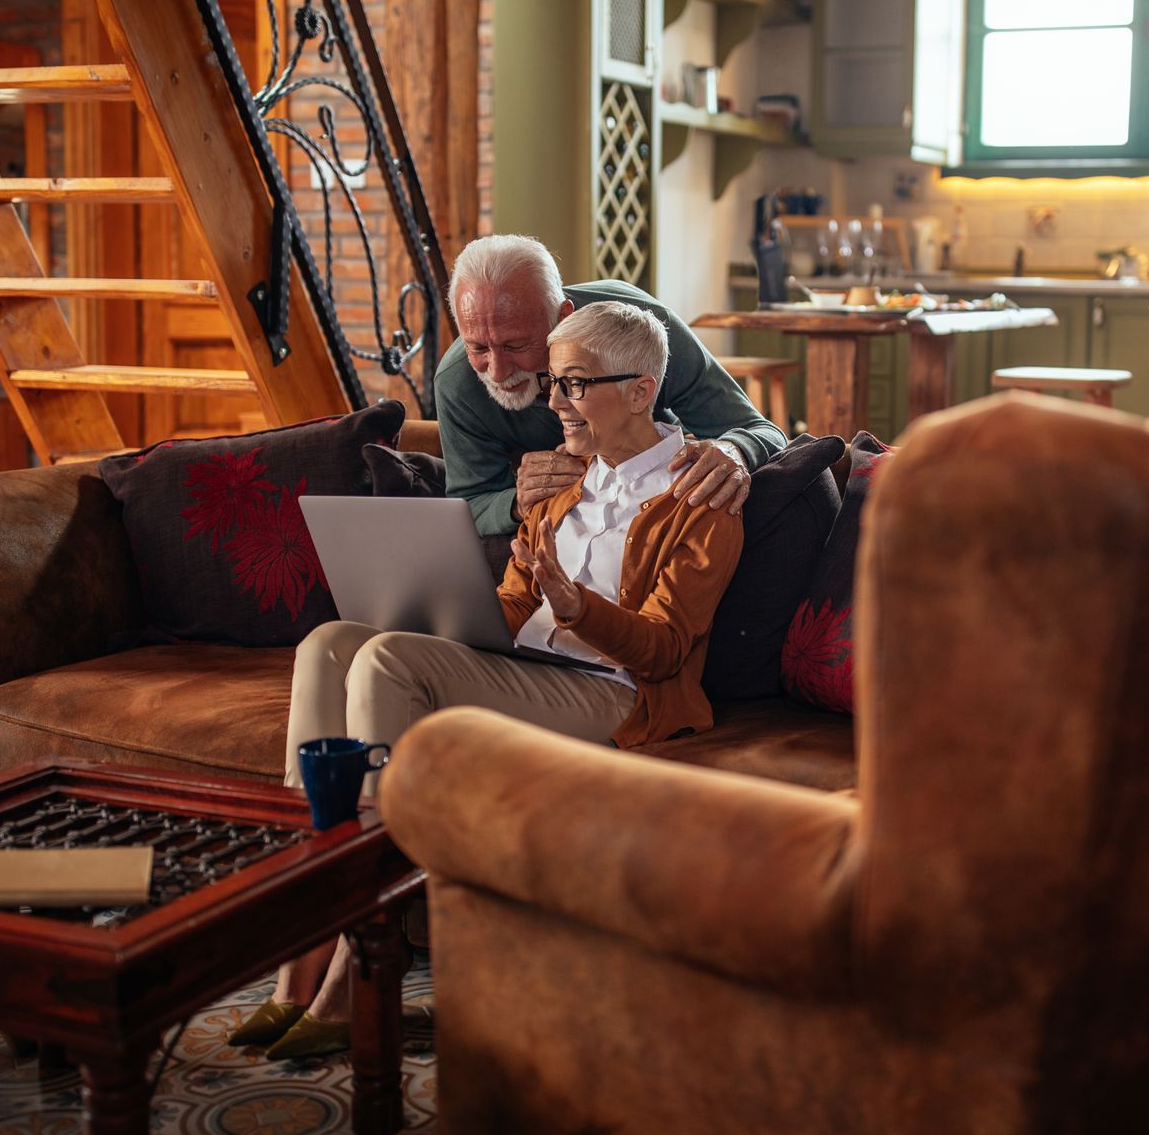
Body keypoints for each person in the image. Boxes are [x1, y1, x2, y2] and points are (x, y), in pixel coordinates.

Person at [238, 300, 745, 1060]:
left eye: (572, 385)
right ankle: (301, 950)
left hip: (618, 695)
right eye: (554, 384)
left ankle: (359, 961)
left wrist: (580, 608)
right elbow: (510, 606)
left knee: (386, 660)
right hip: (527, 669)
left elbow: (666, 650)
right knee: (332, 642)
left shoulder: (701, 497)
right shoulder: (558, 485)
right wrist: (435, 599)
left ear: (641, 390)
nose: (553, 403)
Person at [437, 234, 786, 536]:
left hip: (662, 506)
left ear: (563, 317)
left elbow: (760, 431)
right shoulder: (456, 382)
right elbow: (470, 502)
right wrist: (516, 502)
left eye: (514, 346)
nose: (496, 372)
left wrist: (731, 451)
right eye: (478, 347)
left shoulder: (644, 328)